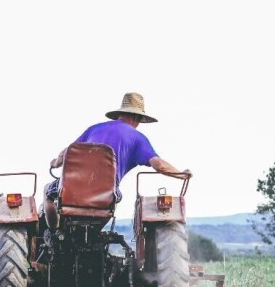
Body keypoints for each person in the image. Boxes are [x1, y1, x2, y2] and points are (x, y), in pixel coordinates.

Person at [42, 92, 191, 229]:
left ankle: (55, 232)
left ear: (120, 114)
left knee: (48, 191)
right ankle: (93, 234)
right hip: (107, 194)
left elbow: (68, 152)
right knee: (111, 202)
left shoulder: (94, 129)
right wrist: (180, 174)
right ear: (137, 118)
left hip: (72, 189)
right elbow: (158, 165)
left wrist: (55, 162)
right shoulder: (138, 139)